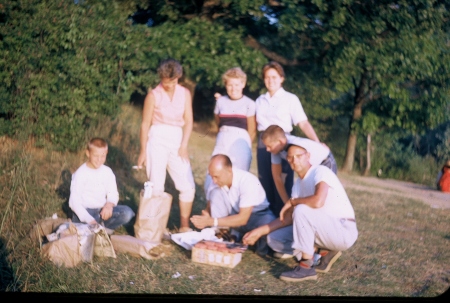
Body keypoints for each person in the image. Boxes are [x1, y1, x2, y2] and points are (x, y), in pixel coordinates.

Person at [242, 142, 358, 282]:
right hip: (325, 231)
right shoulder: (298, 184)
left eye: (299, 156)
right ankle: (324, 251)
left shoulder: (320, 171)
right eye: (290, 157)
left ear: (308, 156)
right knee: (274, 238)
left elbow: (317, 201)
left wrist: (293, 202)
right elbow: (289, 218)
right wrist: (259, 231)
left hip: (343, 230)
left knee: (302, 209)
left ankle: (306, 267)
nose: (294, 160)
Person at [255, 61, 325, 216]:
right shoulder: (260, 100)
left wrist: (317, 142)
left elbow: (303, 122)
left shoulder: (290, 99)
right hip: (263, 144)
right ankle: (267, 218)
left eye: (274, 77)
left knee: (283, 180)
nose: (270, 80)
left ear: (281, 78)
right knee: (265, 181)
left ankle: (284, 215)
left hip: (283, 143)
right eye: (267, 77)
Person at [137, 58, 196, 233]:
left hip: (177, 138)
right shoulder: (153, 95)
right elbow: (145, 124)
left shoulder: (184, 93)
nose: (169, 84)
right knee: (156, 185)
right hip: (157, 137)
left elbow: (189, 120)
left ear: (178, 77)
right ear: (161, 77)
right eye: (166, 81)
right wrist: (142, 150)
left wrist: (184, 145)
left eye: (173, 80)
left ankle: (184, 226)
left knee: (187, 185)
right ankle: (155, 227)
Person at [190, 154, 277, 256]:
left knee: (267, 240)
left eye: (217, 176)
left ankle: (246, 238)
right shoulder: (216, 181)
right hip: (235, 214)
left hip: (258, 216)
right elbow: (209, 208)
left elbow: (243, 218)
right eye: (211, 176)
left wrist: (211, 221)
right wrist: (206, 216)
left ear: (229, 171)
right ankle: (225, 234)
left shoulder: (247, 181)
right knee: (216, 193)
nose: (214, 180)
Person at [203, 67, 257, 197]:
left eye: (237, 84)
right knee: (214, 172)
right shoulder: (221, 101)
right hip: (223, 139)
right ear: (225, 85)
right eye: (230, 85)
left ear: (243, 84)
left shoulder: (249, 103)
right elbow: (218, 122)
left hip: (241, 142)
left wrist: (246, 146)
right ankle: (214, 205)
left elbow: (252, 129)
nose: (234, 88)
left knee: (238, 174)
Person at [69, 138, 135, 232]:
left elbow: (113, 194)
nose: (99, 160)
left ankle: (100, 228)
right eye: (95, 156)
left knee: (127, 213)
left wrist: (109, 205)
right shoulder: (81, 173)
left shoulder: (107, 172)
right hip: (86, 212)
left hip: (102, 210)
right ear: (88, 153)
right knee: (83, 223)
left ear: (106, 153)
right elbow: (74, 202)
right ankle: (94, 228)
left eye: (102, 156)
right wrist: (89, 219)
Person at [261, 124, 338, 205]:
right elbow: (277, 177)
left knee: (324, 198)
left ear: (280, 142)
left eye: (269, 146)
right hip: (312, 166)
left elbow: (306, 172)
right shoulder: (275, 151)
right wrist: (287, 203)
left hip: (325, 161)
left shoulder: (297, 146)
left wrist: (292, 203)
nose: (267, 149)